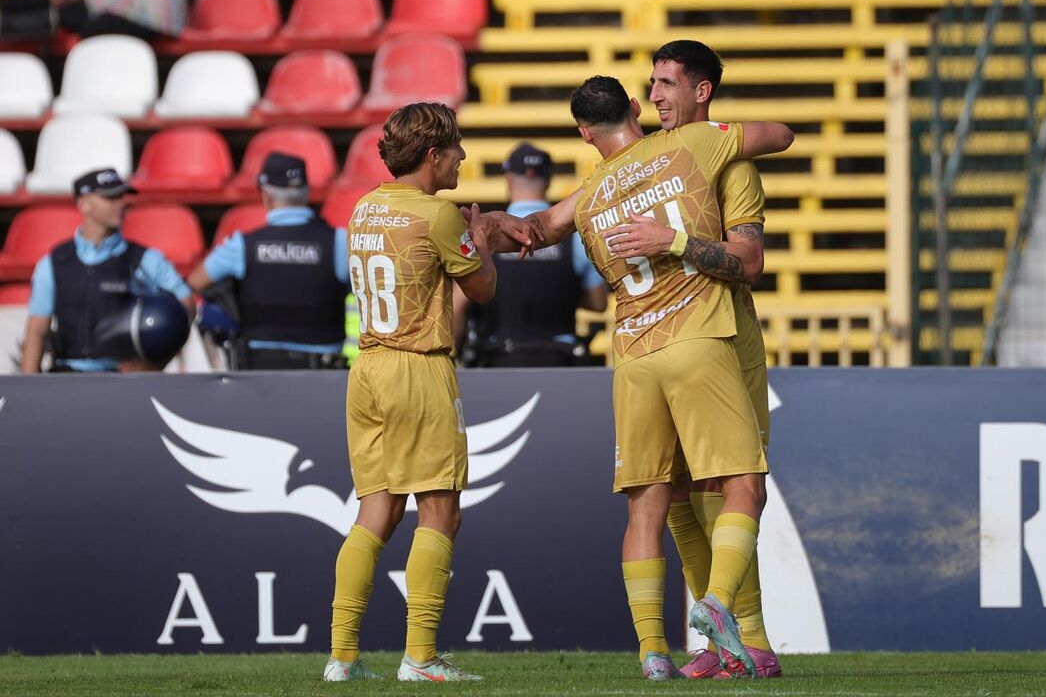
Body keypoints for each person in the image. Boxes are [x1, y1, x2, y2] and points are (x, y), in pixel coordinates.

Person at [480, 77, 793, 679]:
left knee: (650, 507)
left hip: (631, 357)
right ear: (634, 109)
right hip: (697, 338)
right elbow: (779, 136)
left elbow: (538, 229)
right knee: (742, 485)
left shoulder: (592, 190)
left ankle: (654, 653)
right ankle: (719, 608)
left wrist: (495, 223)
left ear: (583, 133)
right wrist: (727, 141)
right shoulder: (693, 145)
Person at [323, 103, 506, 683]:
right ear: (433, 156)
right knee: (441, 510)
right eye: (456, 149)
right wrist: (481, 235)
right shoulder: (438, 215)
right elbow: (481, 290)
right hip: (417, 368)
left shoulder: (363, 209)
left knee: (374, 511)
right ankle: (420, 659)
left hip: (367, 368)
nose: (463, 158)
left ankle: (342, 660)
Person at [648, 40, 781, 679]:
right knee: (675, 488)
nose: (655, 97)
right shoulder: (651, 164)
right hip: (661, 345)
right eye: (651, 84)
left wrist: (673, 242)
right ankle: (734, 642)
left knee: (728, 481)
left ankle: (736, 627)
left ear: (702, 92)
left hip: (724, 340)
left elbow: (749, 263)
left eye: (668, 84)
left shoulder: (732, 163)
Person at [20, 167, 194, 373]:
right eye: (109, 198)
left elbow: (186, 306)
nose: (120, 204)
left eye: (121, 197)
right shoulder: (54, 263)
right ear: (83, 204)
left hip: (121, 382)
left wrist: (155, 365)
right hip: (65, 377)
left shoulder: (144, 259)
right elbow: (37, 330)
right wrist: (28, 388)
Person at [187, 152, 351, 370]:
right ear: (306, 191)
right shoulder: (340, 242)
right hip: (324, 376)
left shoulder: (242, 246)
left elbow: (194, 284)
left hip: (260, 376)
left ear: (265, 194)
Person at [458, 143, 607, 366]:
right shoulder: (576, 237)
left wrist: (456, 354)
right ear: (548, 180)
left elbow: (458, 304)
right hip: (560, 359)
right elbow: (598, 303)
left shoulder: (482, 235)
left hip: (498, 359)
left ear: (508, 179)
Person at [58, 0, 187, 40]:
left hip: (152, 21)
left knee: (92, 25)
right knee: (71, 16)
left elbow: (120, 2)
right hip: (135, 16)